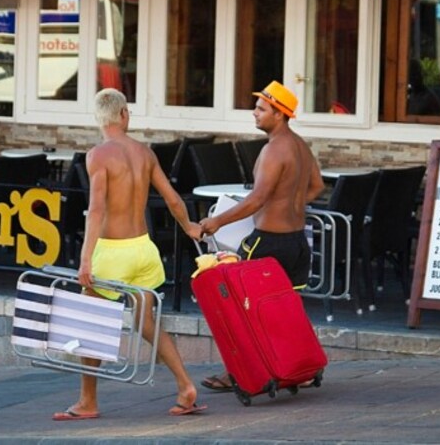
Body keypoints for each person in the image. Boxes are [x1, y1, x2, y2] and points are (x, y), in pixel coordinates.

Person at [53, 88, 206, 421]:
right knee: (147, 322)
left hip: (112, 251)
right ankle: (185, 386)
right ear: (124, 115)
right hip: (143, 248)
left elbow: (95, 210)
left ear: (100, 118)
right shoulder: (145, 153)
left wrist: (85, 257)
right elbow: (173, 199)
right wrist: (190, 226)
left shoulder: (98, 155)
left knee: (90, 324)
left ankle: (88, 402)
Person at [198, 80, 325, 392]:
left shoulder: (273, 150)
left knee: (243, 312)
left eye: (261, 109)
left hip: (267, 243)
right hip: (297, 242)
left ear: (279, 115)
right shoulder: (300, 146)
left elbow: (256, 199)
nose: (254, 113)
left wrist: (217, 221)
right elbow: (318, 187)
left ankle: (240, 373)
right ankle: (303, 369)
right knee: (289, 313)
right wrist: (290, 203)